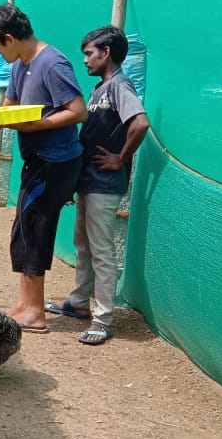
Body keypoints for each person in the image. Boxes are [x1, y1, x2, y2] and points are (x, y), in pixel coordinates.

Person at [0, 4, 86, 333]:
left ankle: (34, 312)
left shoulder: (53, 62)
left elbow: (78, 111)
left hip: (56, 161)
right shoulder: (20, 64)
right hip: (38, 160)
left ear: (9, 38)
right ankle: (24, 304)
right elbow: (8, 110)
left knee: (34, 230)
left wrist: (36, 126)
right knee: (24, 230)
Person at [46, 25, 149, 345]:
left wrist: (120, 158)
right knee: (83, 245)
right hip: (89, 182)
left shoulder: (120, 85)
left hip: (105, 184)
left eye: (90, 54)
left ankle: (103, 318)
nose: (86, 60)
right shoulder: (100, 89)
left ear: (106, 52)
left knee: (101, 251)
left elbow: (141, 123)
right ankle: (78, 303)